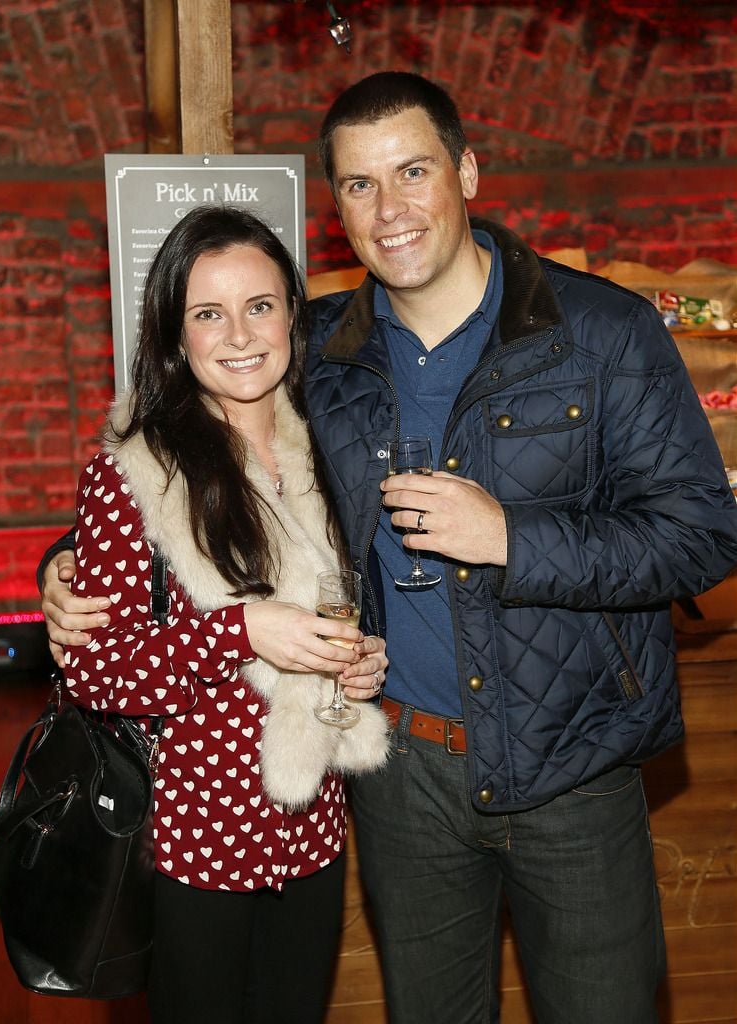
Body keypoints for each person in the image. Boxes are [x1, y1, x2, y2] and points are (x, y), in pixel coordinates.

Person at [40, 73, 737, 1023]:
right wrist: (64, 562)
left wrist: (508, 536)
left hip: (568, 769)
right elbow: (184, 468)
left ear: (467, 170)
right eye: (359, 185)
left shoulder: (601, 333)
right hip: (400, 779)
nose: (390, 207)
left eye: (412, 171)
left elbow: (701, 535)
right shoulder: (322, 347)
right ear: (337, 209)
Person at [49, 205, 390, 1024]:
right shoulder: (136, 472)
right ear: (175, 335)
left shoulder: (327, 445)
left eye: (259, 306)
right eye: (208, 312)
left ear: (291, 316)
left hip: (310, 828)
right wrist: (239, 632)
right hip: (194, 842)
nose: (238, 334)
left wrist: (362, 660)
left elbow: (348, 604)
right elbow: (96, 668)